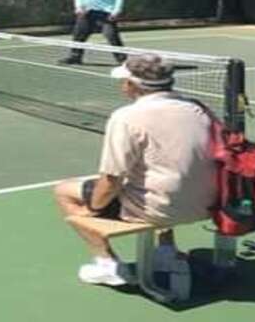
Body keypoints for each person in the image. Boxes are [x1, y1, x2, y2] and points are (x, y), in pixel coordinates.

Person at [53, 54, 217, 286]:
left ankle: (107, 264)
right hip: (211, 202)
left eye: (124, 81)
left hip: (163, 209)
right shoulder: (198, 109)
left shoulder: (125, 118)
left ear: (131, 85)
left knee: (64, 191)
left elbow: (111, 181)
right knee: (162, 177)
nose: (122, 86)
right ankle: (166, 253)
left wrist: (92, 210)